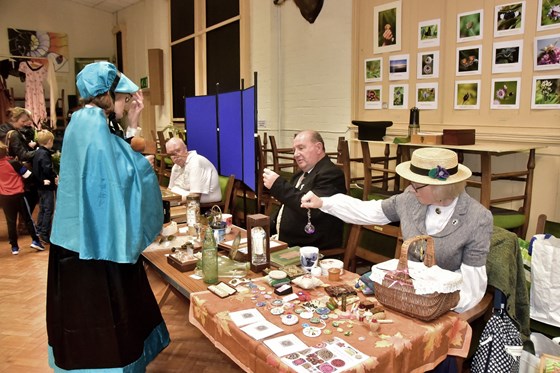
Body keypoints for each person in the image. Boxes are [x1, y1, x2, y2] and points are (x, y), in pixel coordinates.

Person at [46, 61, 169, 371]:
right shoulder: (91, 123)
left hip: (82, 236)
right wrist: (142, 162)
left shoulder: (84, 121)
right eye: (124, 98)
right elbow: (123, 174)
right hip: (95, 243)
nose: (128, 103)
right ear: (107, 95)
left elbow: (113, 158)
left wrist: (132, 122)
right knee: (106, 315)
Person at [301, 147, 493, 313]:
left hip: (445, 305)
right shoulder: (410, 199)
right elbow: (371, 211)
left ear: (439, 187)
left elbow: (472, 286)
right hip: (404, 296)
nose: (410, 188)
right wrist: (324, 202)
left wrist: (438, 305)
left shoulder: (477, 219)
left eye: (416, 185)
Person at [263, 130, 347, 250]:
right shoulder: (300, 175)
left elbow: (312, 209)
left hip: (310, 249)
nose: (295, 154)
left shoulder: (331, 174)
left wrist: (278, 185)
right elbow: (286, 206)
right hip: (283, 241)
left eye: (301, 148)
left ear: (318, 148)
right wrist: (265, 227)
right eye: (294, 150)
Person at [0, 142, 45, 254]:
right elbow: (28, 175)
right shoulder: (13, 163)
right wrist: (41, 182)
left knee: (10, 222)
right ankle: (35, 240)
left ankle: (14, 247)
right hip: (19, 195)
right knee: (28, 219)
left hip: (4, 197)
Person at [0, 107, 39, 215]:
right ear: (13, 119)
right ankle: (24, 221)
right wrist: (41, 151)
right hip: (15, 168)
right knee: (32, 192)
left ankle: (19, 223)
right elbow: (23, 155)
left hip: (5, 169)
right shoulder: (14, 134)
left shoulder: (4, 130)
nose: (25, 123)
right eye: (23, 121)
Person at [165, 136, 222, 203]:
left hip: (208, 203)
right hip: (187, 197)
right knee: (174, 191)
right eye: (171, 154)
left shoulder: (196, 161)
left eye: (178, 151)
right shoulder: (175, 166)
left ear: (185, 149)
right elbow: (169, 190)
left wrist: (172, 201)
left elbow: (195, 196)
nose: (175, 156)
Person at [32, 130, 57, 244]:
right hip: (47, 186)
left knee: (42, 208)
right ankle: (44, 234)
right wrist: (54, 177)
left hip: (39, 185)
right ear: (49, 141)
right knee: (48, 209)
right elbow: (46, 168)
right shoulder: (45, 154)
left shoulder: (37, 152)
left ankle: (38, 230)